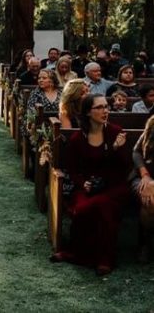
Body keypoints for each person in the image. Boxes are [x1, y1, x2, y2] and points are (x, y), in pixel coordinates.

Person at [50, 93, 131, 275]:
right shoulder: (78, 139)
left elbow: (125, 167)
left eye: (106, 107)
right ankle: (79, 254)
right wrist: (83, 182)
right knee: (82, 207)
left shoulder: (116, 132)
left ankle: (105, 258)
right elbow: (72, 169)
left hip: (114, 187)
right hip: (88, 187)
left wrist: (116, 149)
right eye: (100, 107)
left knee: (103, 205)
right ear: (88, 112)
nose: (105, 111)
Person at [131, 115, 154, 262]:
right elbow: (136, 151)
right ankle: (145, 243)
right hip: (143, 177)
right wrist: (145, 174)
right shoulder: (153, 123)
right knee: (150, 199)